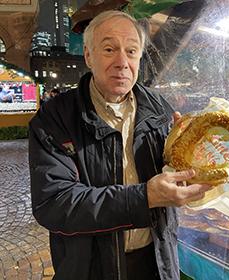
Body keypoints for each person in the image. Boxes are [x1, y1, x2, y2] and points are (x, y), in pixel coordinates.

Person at [29, 10, 211, 280]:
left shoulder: (159, 109)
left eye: (131, 51)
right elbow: (54, 203)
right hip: (90, 269)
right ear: (88, 56)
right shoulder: (55, 118)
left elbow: (173, 170)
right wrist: (145, 197)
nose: (122, 62)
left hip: (157, 261)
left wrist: (193, 154)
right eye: (109, 49)